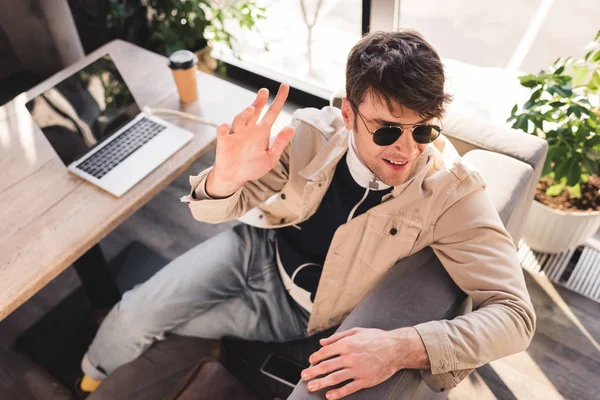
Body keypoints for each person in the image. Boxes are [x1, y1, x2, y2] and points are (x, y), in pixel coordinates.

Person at [77, 30, 536, 399]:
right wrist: (224, 178)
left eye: (425, 129)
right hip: (254, 249)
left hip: (298, 310)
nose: (407, 148)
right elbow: (215, 209)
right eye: (388, 130)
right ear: (349, 114)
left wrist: (402, 348)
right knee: (133, 315)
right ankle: (89, 378)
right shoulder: (312, 132)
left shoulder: (452, 193)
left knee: (162, 328)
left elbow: (516, 316)